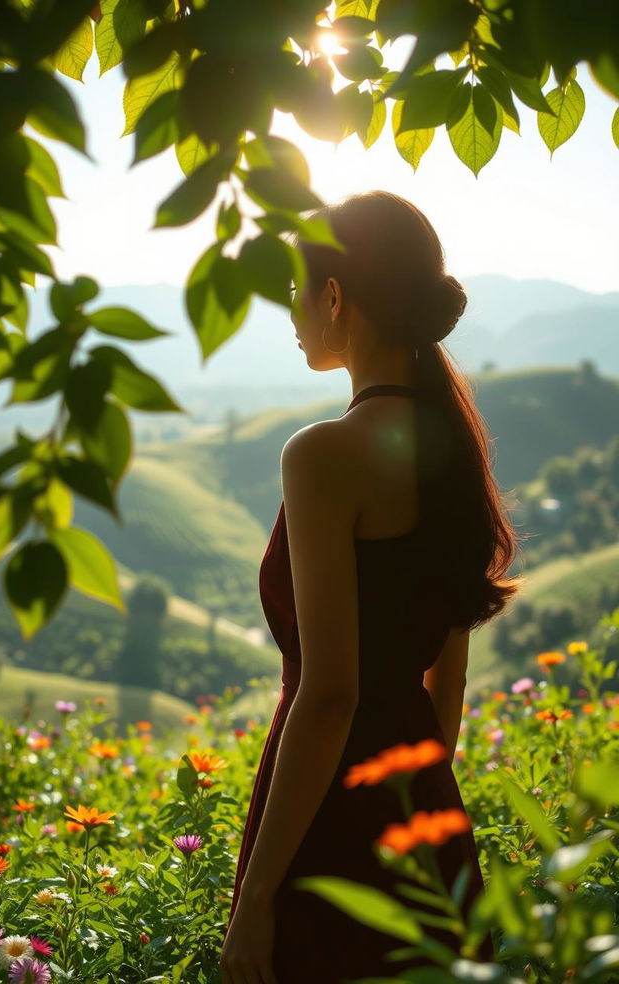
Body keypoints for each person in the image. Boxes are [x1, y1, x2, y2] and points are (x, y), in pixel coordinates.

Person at [220, 190, 524, 983]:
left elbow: (329, 694)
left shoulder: (322, 455)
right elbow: (445, 677)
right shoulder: (453, 447)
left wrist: (256, 894)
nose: (290, 311)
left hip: (329, 818)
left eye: (295, 289)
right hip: (423, 804)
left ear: (333, 296)